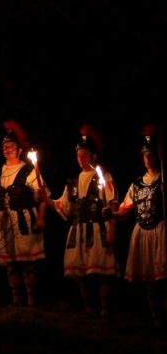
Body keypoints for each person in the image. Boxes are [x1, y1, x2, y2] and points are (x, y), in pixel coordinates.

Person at [46, 126, 117, 316]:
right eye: (79, 155)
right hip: (78, 230)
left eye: (85, 155)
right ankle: (88, 306)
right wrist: (44, 198)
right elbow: (62, 205)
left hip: (98, 228)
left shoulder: (103, 176)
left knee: (101, 271)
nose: (81, 159)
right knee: (79, 273)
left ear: (92, 156)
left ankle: (104, 307)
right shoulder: (73, 182)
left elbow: (113, 204)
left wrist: (112, 230)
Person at [0, 120, 48, 306]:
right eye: (5, 146)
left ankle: (31, 298)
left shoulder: (29, 170)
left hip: (24, 220)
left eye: (11, 146)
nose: (7, 149)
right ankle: (16, 298)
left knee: (27, 262)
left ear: (19, 150)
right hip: (2, 220)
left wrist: (41, 218)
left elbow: (43, 198)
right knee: (10, 263)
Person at [114, 126, 166, 327]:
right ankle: (155, 317)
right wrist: (112, 214)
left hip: (160, 230)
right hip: (142, 232)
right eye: (146, 155)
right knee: (148, 280)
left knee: (162, 278)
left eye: (151, 154)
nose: (148, 158)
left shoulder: (163, 179)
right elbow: (125, 210)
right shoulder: (136, 184)